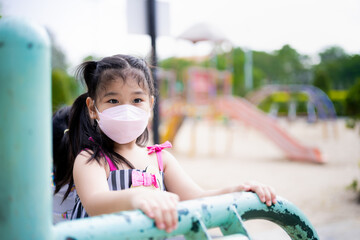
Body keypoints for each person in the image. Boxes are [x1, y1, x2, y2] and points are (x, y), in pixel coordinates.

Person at [53, 54, 277, 233]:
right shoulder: (91, 159)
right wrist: (137, 196)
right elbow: (96, 202)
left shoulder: (161, 159)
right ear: (93, 108)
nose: (127, 109)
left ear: (150, 105)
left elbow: (195, 198)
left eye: (137, 100)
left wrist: (236, 190)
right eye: (113, 100)